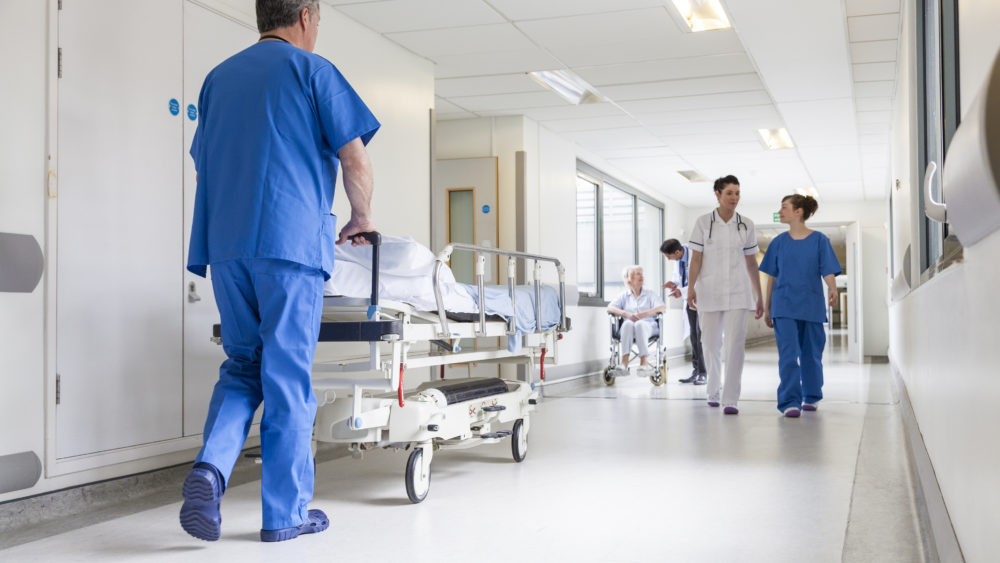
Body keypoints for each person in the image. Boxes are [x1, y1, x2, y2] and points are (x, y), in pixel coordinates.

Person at [181, 0, 380, 543]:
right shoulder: (315, 71)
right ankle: (284, 514)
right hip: (289, 247)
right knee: (287, 375)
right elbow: (355, 159)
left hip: (226, 245)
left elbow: (205, 165)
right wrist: (361, 218)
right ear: (307, 15)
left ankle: (210, 468)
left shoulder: (217, 80)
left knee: (244, 365)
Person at [687, 175, 764, 415]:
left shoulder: (746, 224)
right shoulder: (702, 222)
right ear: (718, 195)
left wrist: (759, 295)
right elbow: (696, 258)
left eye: (738, 193)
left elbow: (751, 263)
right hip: (708, 292)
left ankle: (731, 398)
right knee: (709, 344)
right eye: (729, 193)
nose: (734, 198)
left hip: (739, 293)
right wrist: (690, 288)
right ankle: (713, 390)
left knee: (735, 346)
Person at [759, 195, 841, 418]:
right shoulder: (778, 243)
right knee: (788, 354)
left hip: (811, 305)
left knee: (811, 354)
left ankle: (811, 396)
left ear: (798, 211)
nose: (780, 211)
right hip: (784, 306)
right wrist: (768, 308)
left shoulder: (819, 240)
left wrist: (833, 288)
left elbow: (827, 269)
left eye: (784, 207)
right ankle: (789, 401)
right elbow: (772, 278)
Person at [661, 238, 706, 385]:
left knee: (701, 336)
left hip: (701, 299)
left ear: (678, 251)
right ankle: (696, 371)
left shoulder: (696, 255)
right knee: (693, 336)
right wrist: (674, 285)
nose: (669, 260)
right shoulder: (679, 260)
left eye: (669, 256)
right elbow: (683, 280)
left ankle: (704, 373)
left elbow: (699, 280)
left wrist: (681, 290)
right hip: (689, 300)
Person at [607, 266, 665, 376]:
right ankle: (624, 362)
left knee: (639, 324)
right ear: (629, 278)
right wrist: (625, 314)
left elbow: (662, 308)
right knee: (628, 323)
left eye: (642, 273)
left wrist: (642, 314)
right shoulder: (624, 295)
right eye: (638, 273)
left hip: (648, 327)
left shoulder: (650, 294)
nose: (642, 276)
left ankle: (644, 362)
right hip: (628, 330)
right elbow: (610, 308)